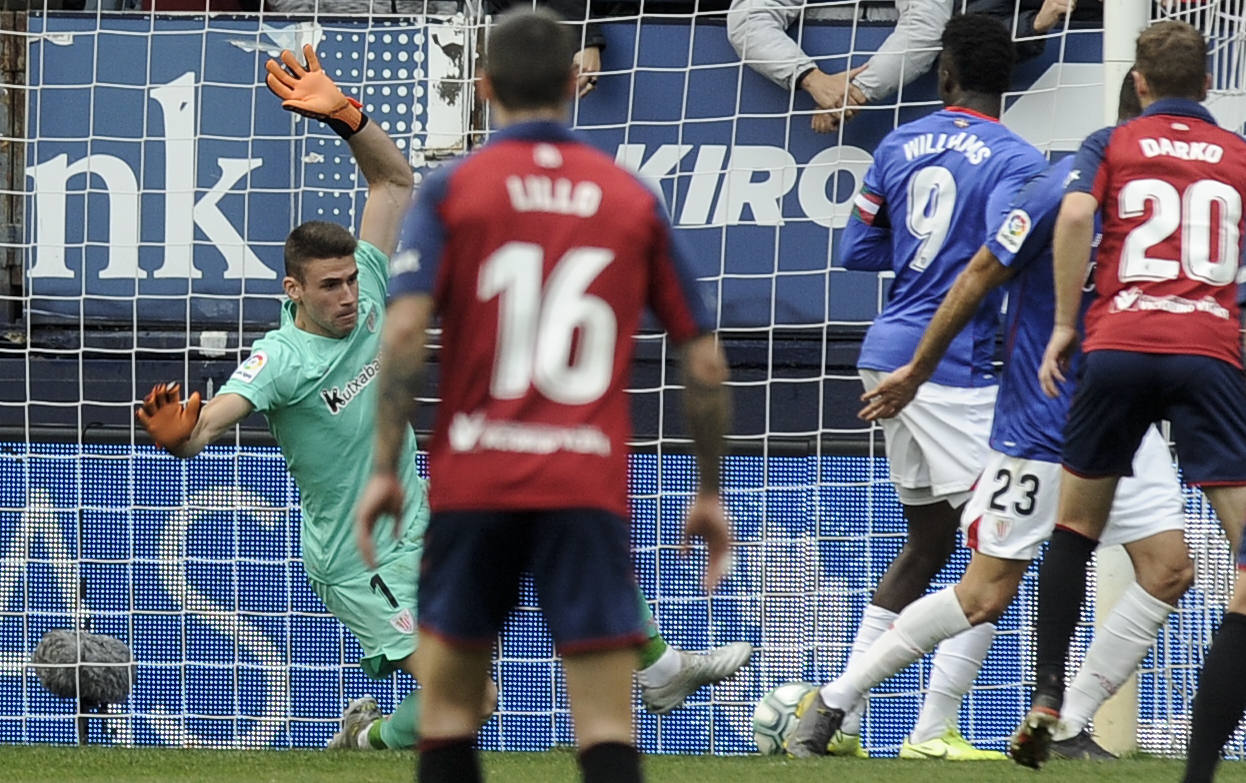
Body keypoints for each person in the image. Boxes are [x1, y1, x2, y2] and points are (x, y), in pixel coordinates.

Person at [135, 44, 747, 751]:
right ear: (292, 290)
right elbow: (212, 422)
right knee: (474, 697)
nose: (349, 294)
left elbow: (393, 184)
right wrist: (184, 432)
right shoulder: (280, 359)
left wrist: (349, 118)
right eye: (328, 286)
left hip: (423, 520)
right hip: (360, 556)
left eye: (351, 280)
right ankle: (365, 744)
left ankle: (661, 666)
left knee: (552, 522)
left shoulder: (366, 277)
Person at [355, 10, 734, 783]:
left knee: (451, 716)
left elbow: (400, 336)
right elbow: (702, 356)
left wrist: (387, 465)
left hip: (475, 483)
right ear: (573, 82)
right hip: (584, 485)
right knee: (603, 725)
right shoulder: (628, 196)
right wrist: (709, 488)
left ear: (484, 86)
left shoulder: (457, 188)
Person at [848, 70, 1194, 767]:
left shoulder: (901, 142)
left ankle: (1064, 723)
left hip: (1117, 411)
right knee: (984, 585)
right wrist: (920, 366)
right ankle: (847, 704)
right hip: (1028, 410)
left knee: (1166, 568)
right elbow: (980, 271)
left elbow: (858, 248)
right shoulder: (1043, 173)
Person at [787, 13, 1047, 759]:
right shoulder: (1017, 159)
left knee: (929, 541)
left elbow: (858, 248)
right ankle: (929, 729)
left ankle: (841, 717)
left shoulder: (898, 144)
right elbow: (1000, 257)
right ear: (1007, 78)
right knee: (999, 554)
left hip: (884, 349)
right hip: (950, 365)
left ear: (943, 74)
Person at [1014, 21, 1246, 781]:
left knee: (1076, 524)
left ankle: (1049, 695)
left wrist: (1060, 325)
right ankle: (1201, 769)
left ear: (1139, 83)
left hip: (1116, 345)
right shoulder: (1239, 156)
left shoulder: (1109, 143)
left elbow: (1078, 215)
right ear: (1209, 86)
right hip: (1207, 353)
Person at [726, 0, 1079, 132]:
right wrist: (811, 78)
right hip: (807, 119)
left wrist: (855, 94)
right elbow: (747, 18)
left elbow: (927, 25)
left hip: (907, 122)